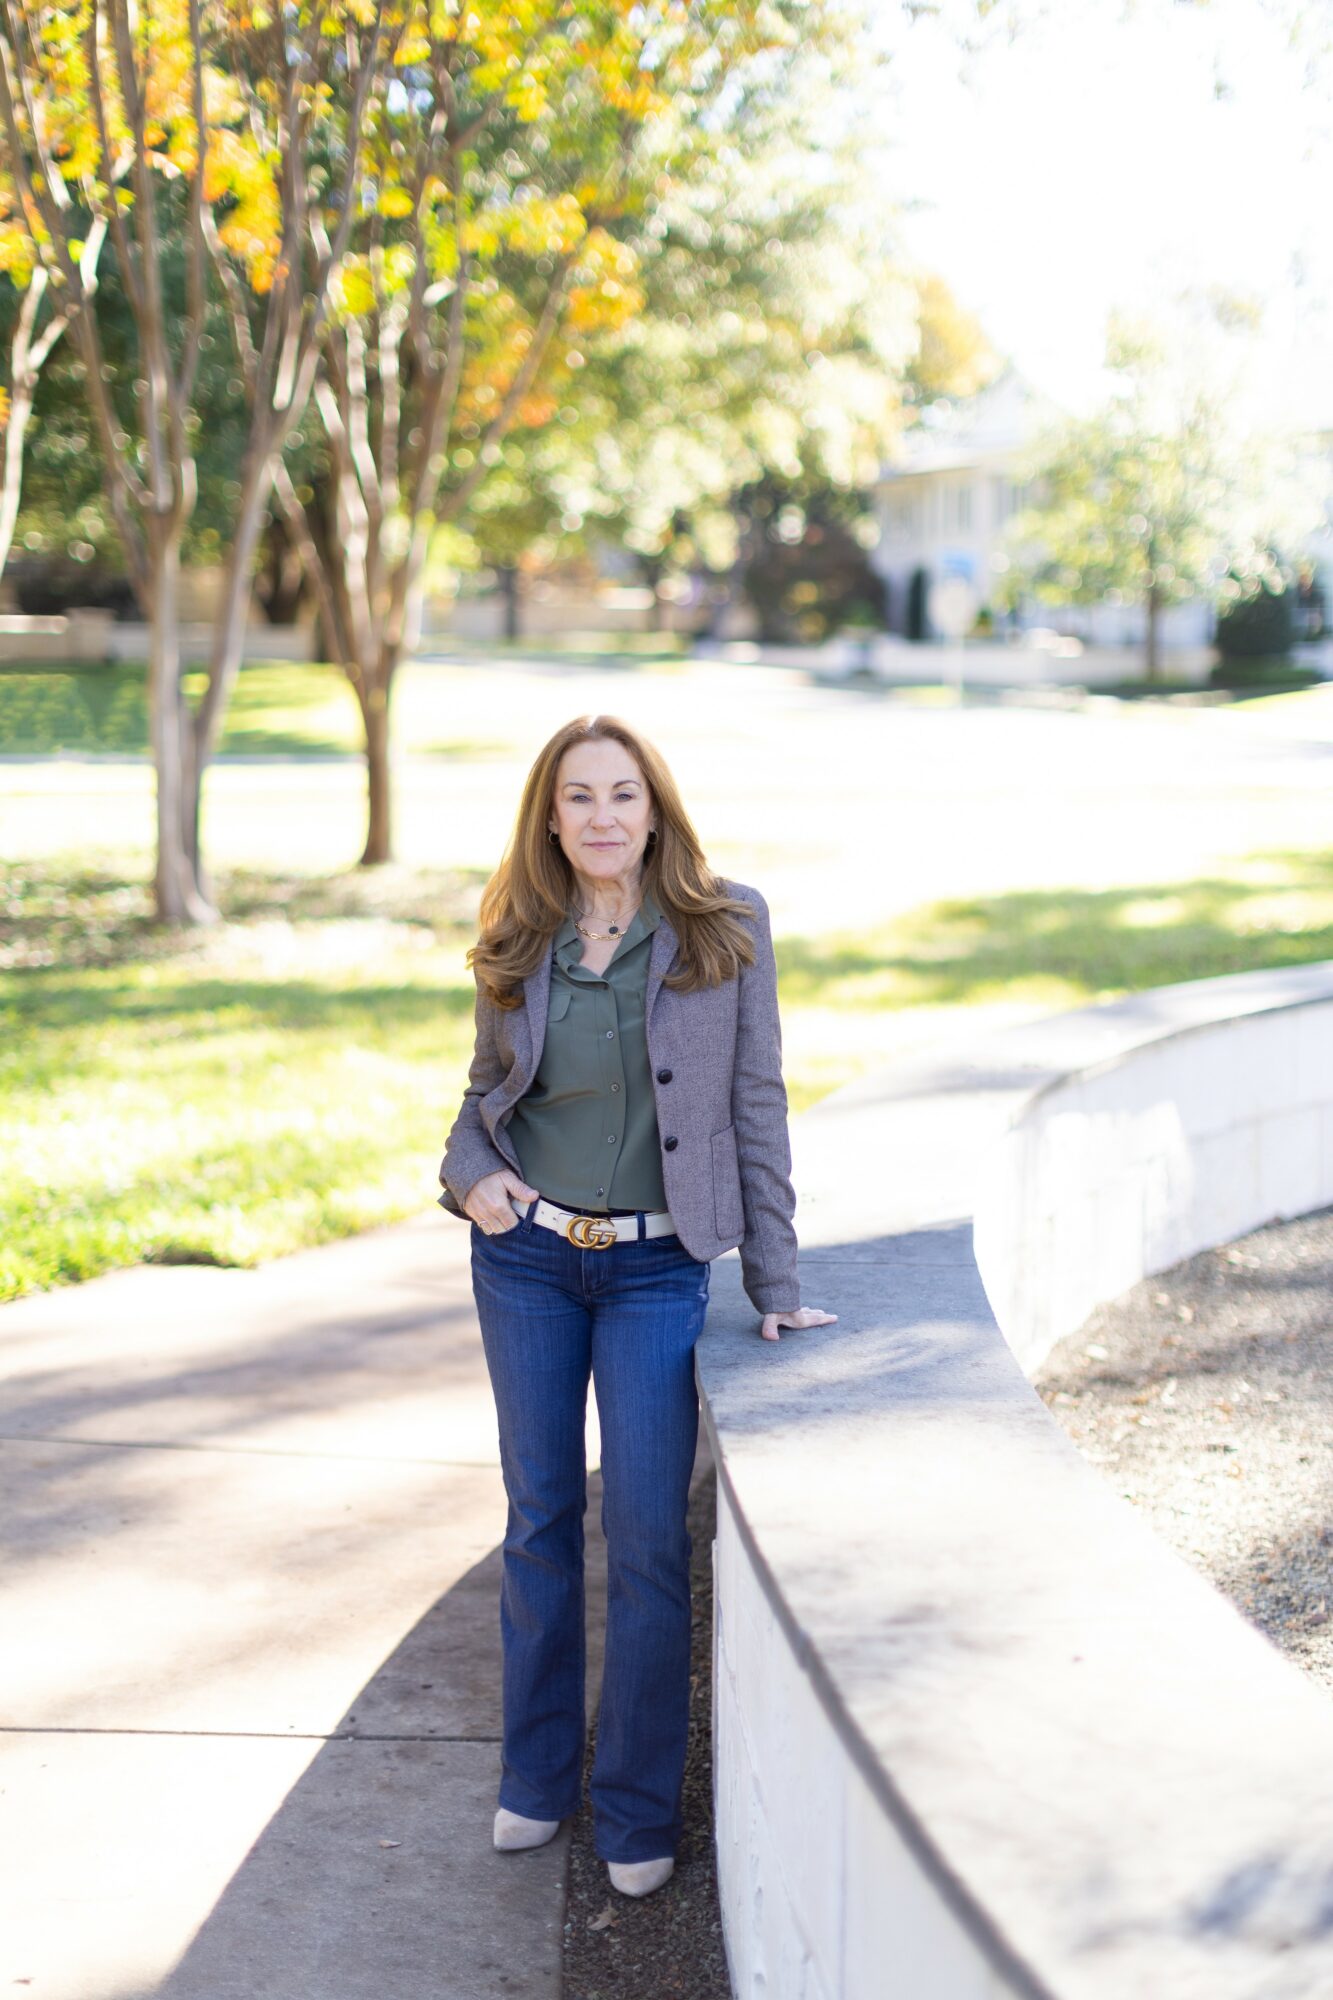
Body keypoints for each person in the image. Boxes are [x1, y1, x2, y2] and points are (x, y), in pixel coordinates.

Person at [438, 714, 835, 1899]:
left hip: (661, 1271)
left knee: (653, 1540)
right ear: (549, 818)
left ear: (654, 806)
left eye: (622, 793)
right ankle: (537, 1772)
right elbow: (480, 1098)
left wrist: (777, 1281)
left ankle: (634, 1803)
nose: (602, 815)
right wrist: (473, 1179)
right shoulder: (518, 928)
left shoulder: (726, 923)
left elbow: (756, 1101)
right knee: (542, 1517)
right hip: (527, 1260)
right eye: (578, 798)